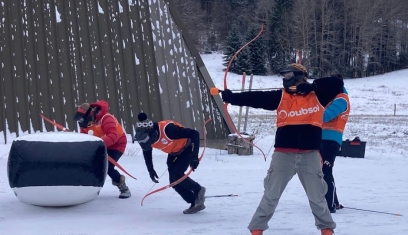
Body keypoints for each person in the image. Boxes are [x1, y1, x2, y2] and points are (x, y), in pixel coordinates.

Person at [219, 63, 343, 235]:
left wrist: (313, 86)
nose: (285, 79)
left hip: (310, 155)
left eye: (288, 75)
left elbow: (337, 84)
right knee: (271, 195)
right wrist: (231, 97)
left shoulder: (318, 95)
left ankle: (327, 229)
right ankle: (256, 229)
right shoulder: (281, 96)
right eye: (284, 76)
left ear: (300, 76)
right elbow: (256, 98)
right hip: (283, 155)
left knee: (317, 198)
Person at [134, 112, 206, 214]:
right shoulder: (146, 138)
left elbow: (195, 134)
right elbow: (147, 152)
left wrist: (194, 158)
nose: (148, 145)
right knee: (174, 183)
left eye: (148, 143)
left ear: (152, 133)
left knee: (177, 175)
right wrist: (150, 169)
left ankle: (198, 190)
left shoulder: (169, 130)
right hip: (173, 153)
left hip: (187, 148)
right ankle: (195, 202)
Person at [74, 100, 131, 199]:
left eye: (82, 119)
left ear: (90, 115)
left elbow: (113, 136)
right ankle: (93, 188)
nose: (81, 122)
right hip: (99, 145)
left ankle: (123, 187)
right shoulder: (86, 124)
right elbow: (84, 137)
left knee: (107, 167)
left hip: (116, 145)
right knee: (92, 166)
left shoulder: (106, 118)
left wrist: (97, 143)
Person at [321, 73, 350, 213]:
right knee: (322, 171)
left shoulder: (341, 99)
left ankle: (330, 204)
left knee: (326, 171)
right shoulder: (332, 98)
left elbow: (326, 116)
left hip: (331, 140)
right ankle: (333, 201)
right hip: (323, 139)